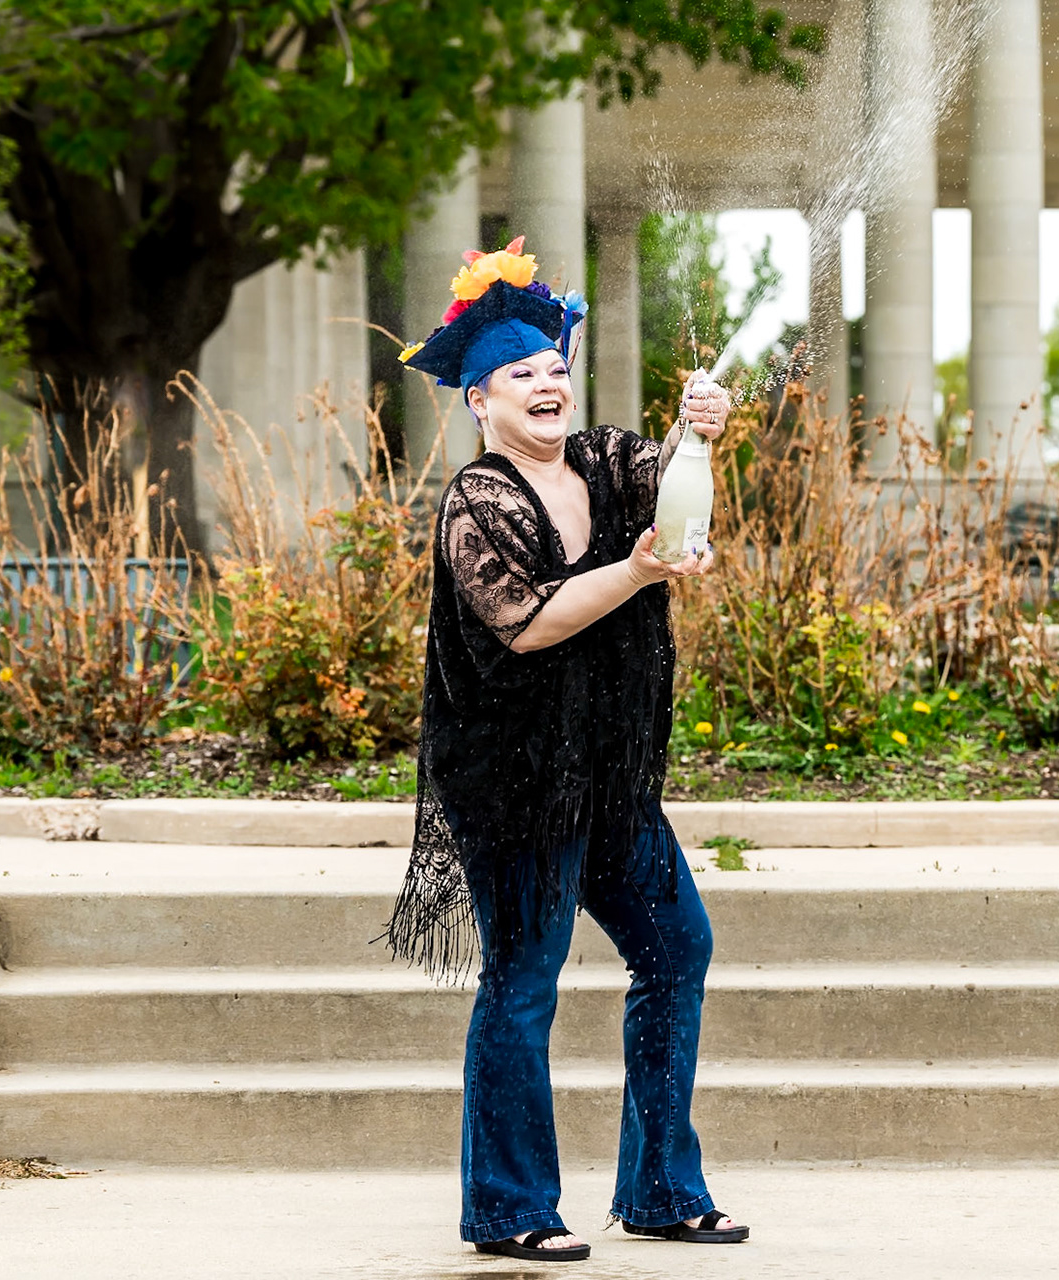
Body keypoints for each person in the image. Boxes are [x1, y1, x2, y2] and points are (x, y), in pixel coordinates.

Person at [387, 238, 745, 1262]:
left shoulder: (602, 459)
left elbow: (670, 478)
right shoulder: (479, 502)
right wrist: (639, 570)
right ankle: (509, 1207)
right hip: (513, 783)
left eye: (554, 366)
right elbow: (532, 621)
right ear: (480, 403)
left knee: (677, 948)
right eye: (520, 374)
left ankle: (663, 1188)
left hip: (610, 772)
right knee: (526, 976)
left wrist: (698, 431)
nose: (547, 383)